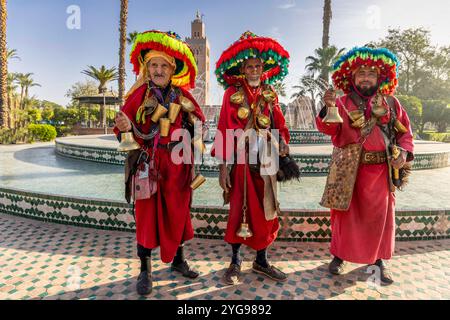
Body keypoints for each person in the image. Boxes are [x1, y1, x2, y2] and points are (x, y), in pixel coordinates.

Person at [114, 30, 206, 295]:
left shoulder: (182, 96)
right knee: (146, 217)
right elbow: (122, 129)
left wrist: (194, 130)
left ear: (172, 69)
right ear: (147, 68)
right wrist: (124, 127)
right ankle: (145, 270)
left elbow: (199, 125)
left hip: (177, 165)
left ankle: (178, 260)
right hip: (147, 164)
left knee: (178, 212)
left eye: (163, 65)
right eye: (153, 65)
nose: (158, 70)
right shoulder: (139, 94)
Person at [317, 47, 414, 284]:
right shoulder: (340, 102)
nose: (366, 78)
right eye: (361, 73)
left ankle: (379, 260)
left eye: (371, 73)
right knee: (343, 216)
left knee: (380, 217)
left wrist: (404, 151)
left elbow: (405, 134)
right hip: (348, 170)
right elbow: (328, 129)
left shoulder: (391, 102)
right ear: (352, 77)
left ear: (380, 77)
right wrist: (327, 107)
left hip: (381, 171)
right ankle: (339, 256)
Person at [212, 31, 292, 285]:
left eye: (258, 66)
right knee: (238, 211)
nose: (255, 70)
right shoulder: (230, 94)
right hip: (241, 163)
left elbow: (279, 124)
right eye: (250, 66)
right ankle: (235, 261)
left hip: (266, 161)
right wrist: (223, 168)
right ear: (242, 68)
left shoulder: (271, 93)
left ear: (263, 67)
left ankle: (261, 260)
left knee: (267, 211)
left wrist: (284, 145)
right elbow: (224, 128)